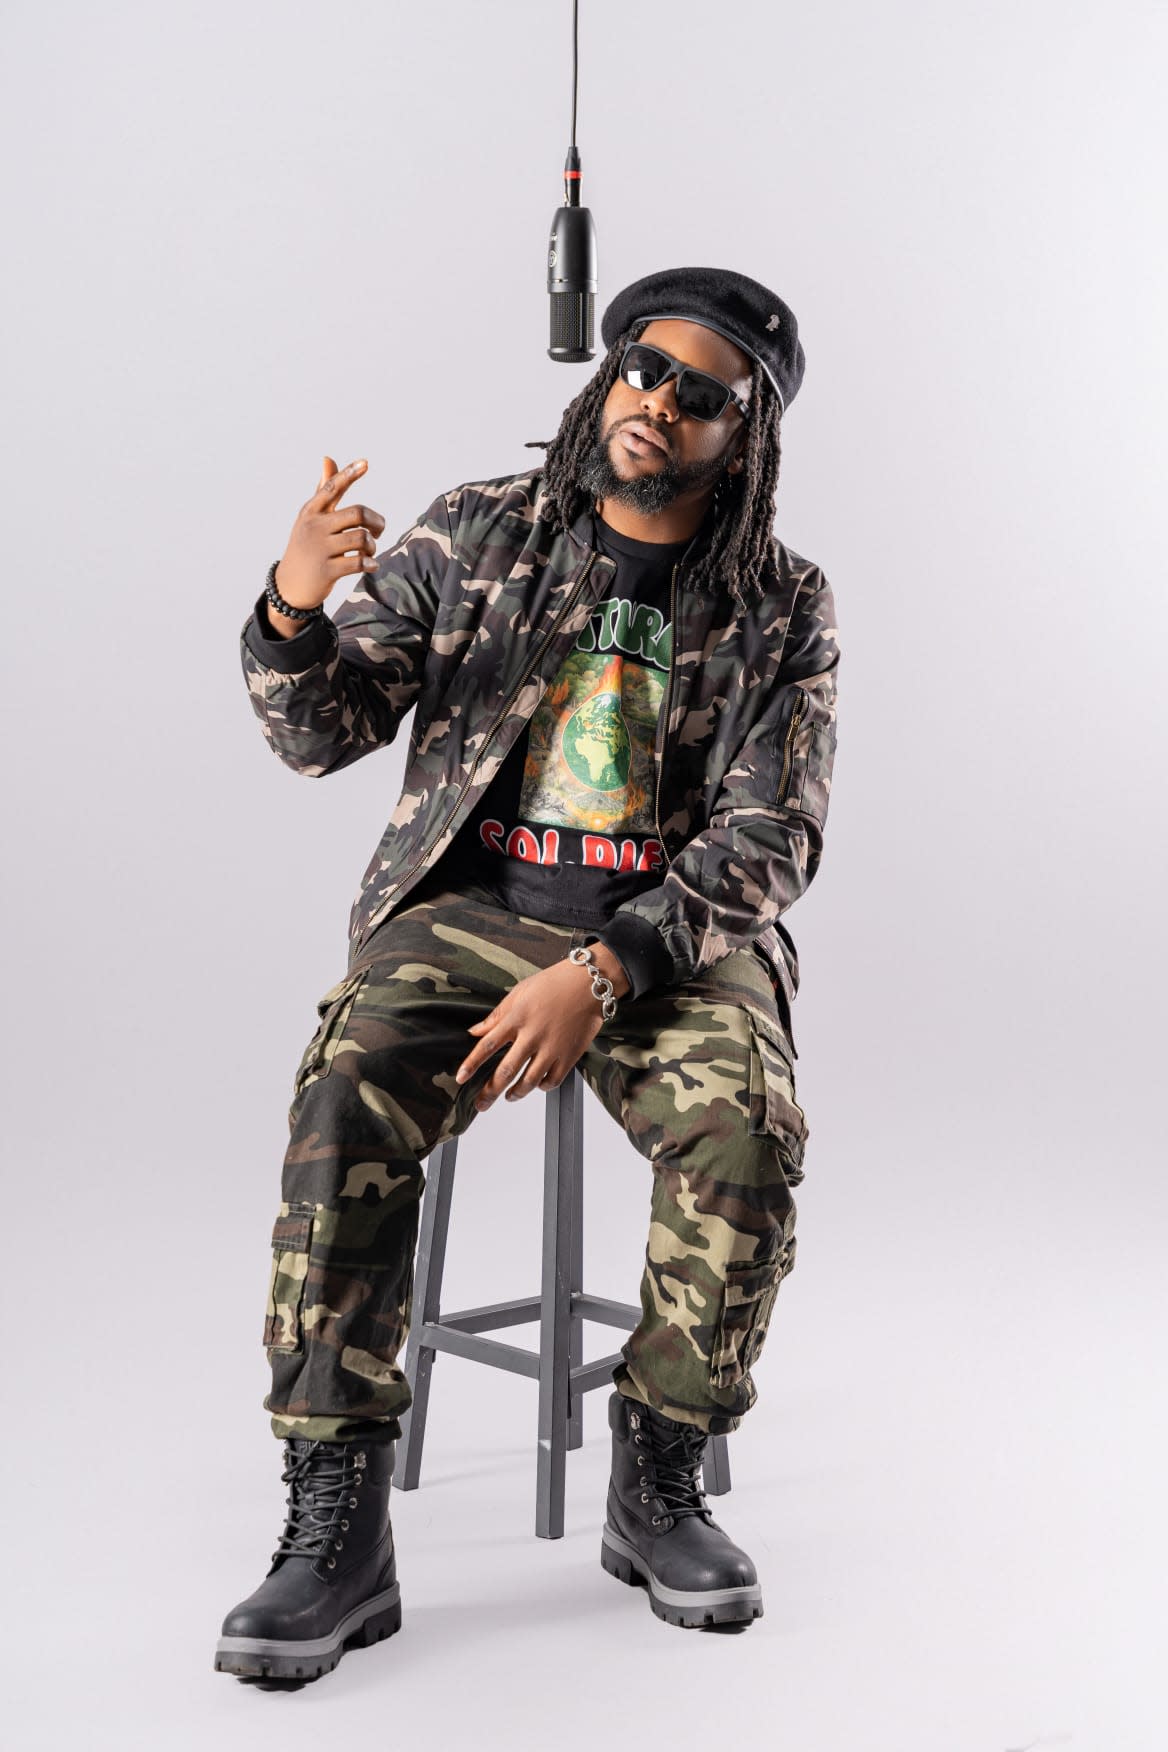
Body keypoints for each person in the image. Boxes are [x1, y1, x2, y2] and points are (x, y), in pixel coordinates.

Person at [215, 266, 840, 1681]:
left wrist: (606, 974)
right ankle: (336, 1518)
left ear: (744, 434)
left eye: (700, 394)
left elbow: (773, 837)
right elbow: (319, 734)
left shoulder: (782, 602)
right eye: (642, 367)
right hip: (466, 913)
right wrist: (296, 603)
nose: (657, 402)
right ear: (607, 373)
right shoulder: (478, 531)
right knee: (346, 1090)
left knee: (747, 1129)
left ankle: (659, 1473)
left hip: (673, 942)